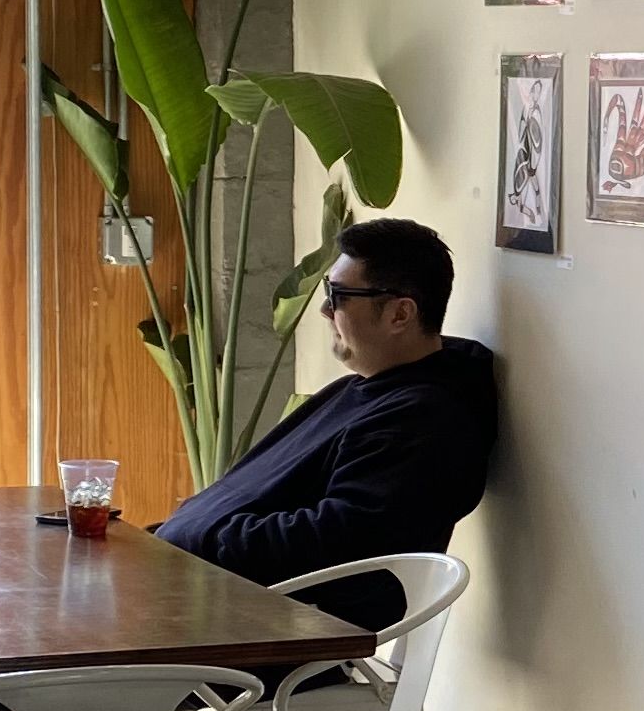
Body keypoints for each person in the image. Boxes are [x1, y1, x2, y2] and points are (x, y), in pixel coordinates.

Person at [152, 216, 495, 628]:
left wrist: (204, 535)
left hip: (272, 627)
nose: (324, 310)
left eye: (338, 296)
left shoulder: (422, 420)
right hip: (208, 592)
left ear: (400, 314)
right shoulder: (364, 389)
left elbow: (338, 540)